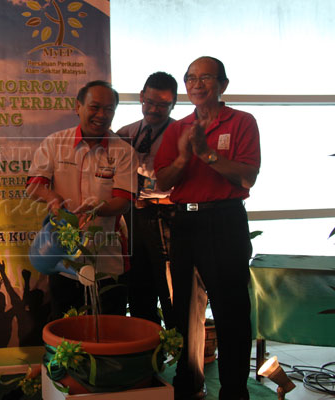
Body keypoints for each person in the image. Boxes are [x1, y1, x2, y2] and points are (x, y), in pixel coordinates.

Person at [154, 56, 260, 400]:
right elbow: (163, 179)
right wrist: (185, 157)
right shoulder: (177, 128)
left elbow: (247, 175)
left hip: (224, 220)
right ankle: (188, 385)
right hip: (184, 221)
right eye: (190, 78)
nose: (196, 84)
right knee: (184, 309)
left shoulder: (242, 122)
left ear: (223, 84)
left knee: (231, 311)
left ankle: (233, 390)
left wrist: (206, 153)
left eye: (205, 78)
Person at [26, 80, 137, 320]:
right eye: (94, 107)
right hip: (63, 260)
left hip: (108, 259)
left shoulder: (123, 151)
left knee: (109, 329)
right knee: (66, 330)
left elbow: (123, 202)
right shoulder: (55, 143)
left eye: (109, 109)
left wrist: (97, 209)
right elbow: (34, 185)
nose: (101, 115)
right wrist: (52, 198)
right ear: (78, 107)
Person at [116, 71, 178, 328]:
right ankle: (147, 354)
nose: (154, 110)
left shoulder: (179, 133)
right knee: (138, 288)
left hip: (167, 218)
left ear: (173, 104)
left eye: (163, 105)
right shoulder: (125, 133)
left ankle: (180, 352)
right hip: (131, 216)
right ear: (141, 97)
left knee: (170, 290)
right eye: (150, 102)